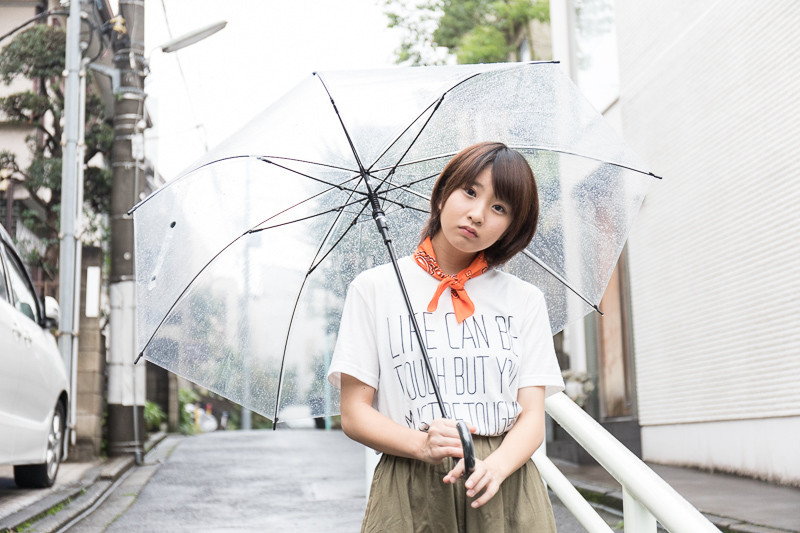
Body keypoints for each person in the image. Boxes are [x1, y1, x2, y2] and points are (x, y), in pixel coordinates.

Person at [328, 142, 565, 532]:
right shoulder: (375, 289)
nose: (477, 214)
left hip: (502, 482)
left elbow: (532, 417)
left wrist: (496, 467)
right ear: (442, 194)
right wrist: (421, 445)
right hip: (411, 484)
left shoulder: (524, 299)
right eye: (470, 192)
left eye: (499, 208)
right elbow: (354, 414)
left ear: (511, 226)